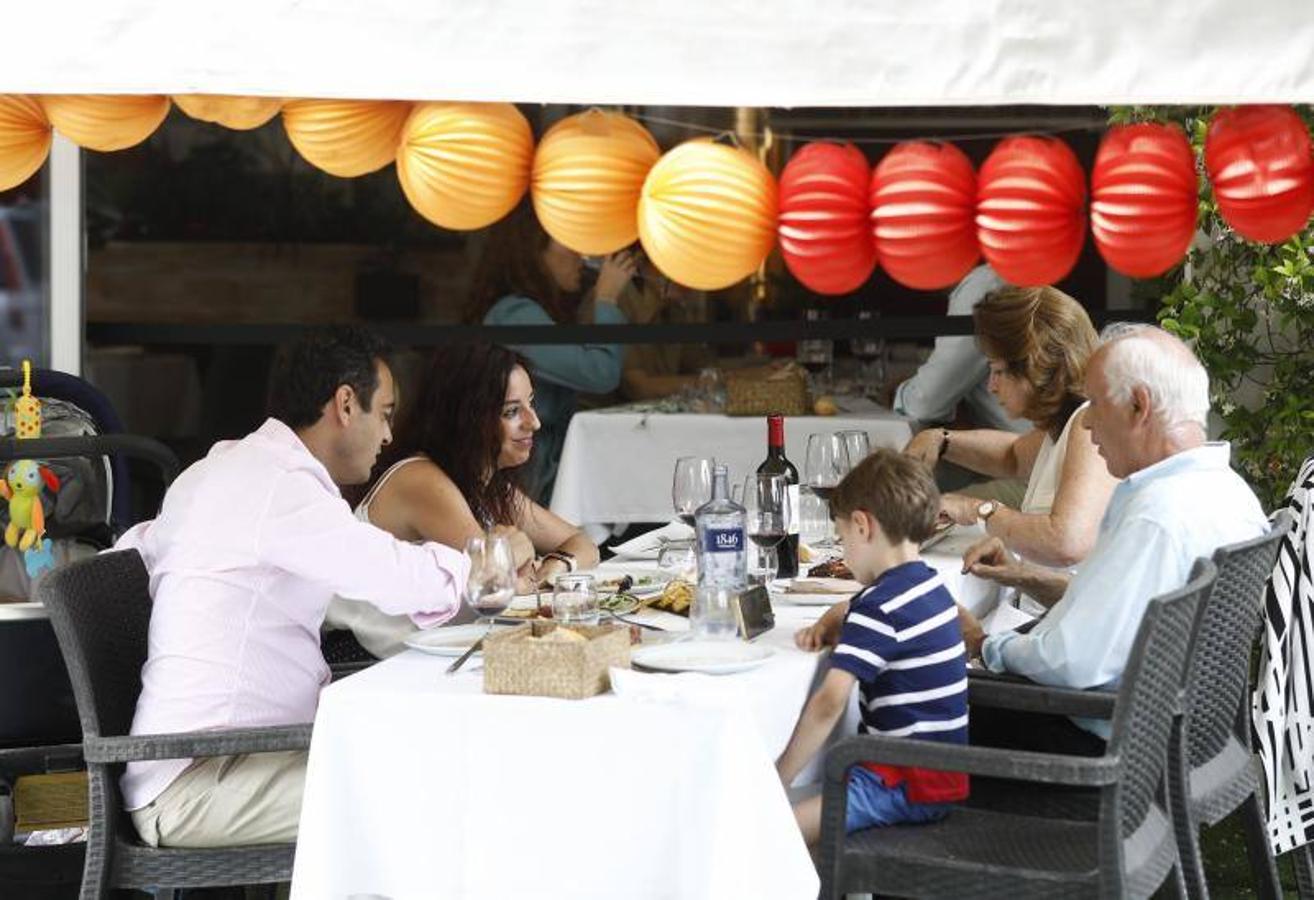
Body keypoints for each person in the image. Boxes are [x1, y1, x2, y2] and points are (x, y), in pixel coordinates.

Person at [113, 327, 471, 848]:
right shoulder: (279, 488)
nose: (390, 436)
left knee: (420, 754)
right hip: (203, 780)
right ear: (346, 404)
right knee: (428, 792)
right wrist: (482, 566)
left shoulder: (223, 468)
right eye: (387, 413)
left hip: (217, 759)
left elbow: (133, 550)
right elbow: (400, 580)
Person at [957, 325, 1268, 754]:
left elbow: (1073, 662)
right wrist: (1028, 577)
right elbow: (1136, 618)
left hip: (1104, 748)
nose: (1085, 422)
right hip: (1171, 738)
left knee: (896, 694)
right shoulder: (1229, 493)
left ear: (1139, 406)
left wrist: (984, 644)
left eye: (1096, 404)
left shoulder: (1158, 517)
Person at [326, 343, 600, 657]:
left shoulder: (486, 483)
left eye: (531, 404)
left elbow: (582, 544)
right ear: (467, 417)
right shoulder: (421, 480)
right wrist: (516, 558)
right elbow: (496, 584)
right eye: (512, 411)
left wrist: (554, 563)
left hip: (427, 655)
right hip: (366, 665)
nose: (534, 422)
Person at [776, 449, 969, 846]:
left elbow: (829, 702)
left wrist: (779, 777)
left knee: (771, 831)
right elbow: (860, 610)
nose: (844, 552)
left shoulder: (878, 607)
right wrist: (832, 621)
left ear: (862, 526)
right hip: (944, 779)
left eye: (842, 537)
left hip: (896, 783)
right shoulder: (931, 587)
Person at [904, 286, 1118, 617]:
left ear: (1038, 366)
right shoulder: (1066, 422)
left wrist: (979, 510)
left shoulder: (1088, 426)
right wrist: (941, 440)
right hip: (1048, 619)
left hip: (1055, 632)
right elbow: (1014, 455)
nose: (991, 385)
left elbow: (1065, 542)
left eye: (999, 370)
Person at [470, 202, 635, 502]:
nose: (581, 258)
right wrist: (607, 298)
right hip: (526, 480)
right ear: (535, 251)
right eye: (570, 244)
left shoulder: (528, 311)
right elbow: (600, 372)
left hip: (540, 471)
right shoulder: (515, 315)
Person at [893, 263, 1027, 434]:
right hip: (1027, 447)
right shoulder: (998, 277)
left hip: (1034, 454)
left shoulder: (983, 285)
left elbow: (926, 404)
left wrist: (898, 393)